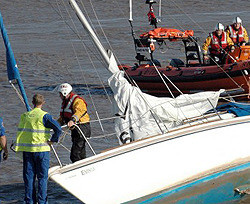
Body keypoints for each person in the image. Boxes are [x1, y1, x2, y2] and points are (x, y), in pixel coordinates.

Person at [15, 94, 62, 204]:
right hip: (42, 151)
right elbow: (58, 129)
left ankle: (30, 201)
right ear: (43, 103)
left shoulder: (25, 116)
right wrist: (53, 140)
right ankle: (42, 202)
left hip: (28, 151)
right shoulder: (45, 116)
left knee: (29, 178)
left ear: (32, 102)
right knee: (42, 178)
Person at [58, 83, 91, 163]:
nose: (59, 96)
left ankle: (78, 168)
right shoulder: (66, 102)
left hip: (82, 128)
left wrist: (72, 120)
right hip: (75, 129)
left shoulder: (77, 101)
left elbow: (80, 112)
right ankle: (83, 165)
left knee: (75, 154)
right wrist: (55, 125)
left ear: (64, 93)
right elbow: (62, 117)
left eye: (60, 94)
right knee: (80, 152)